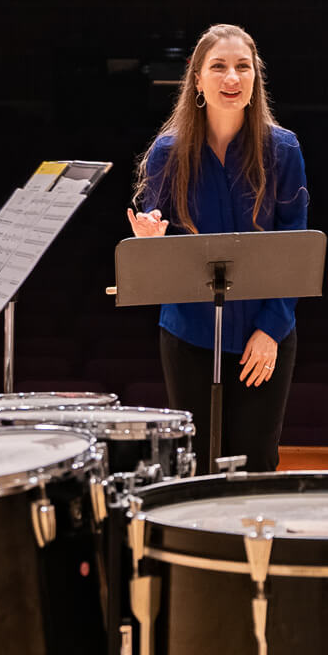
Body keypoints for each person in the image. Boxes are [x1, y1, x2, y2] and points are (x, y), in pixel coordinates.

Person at [128, 23, 309, 472]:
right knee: (196, 465)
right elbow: (156, 235)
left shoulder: (283, 150)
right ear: (197, 79)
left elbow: (296, 247)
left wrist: (271, 328)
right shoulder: (166, 153)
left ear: (255, 78)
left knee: (256, 462)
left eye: (242, 67)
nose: (232, 78)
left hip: (263, 336)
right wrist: (150, 240)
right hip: (188, 333)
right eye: (219, 67)